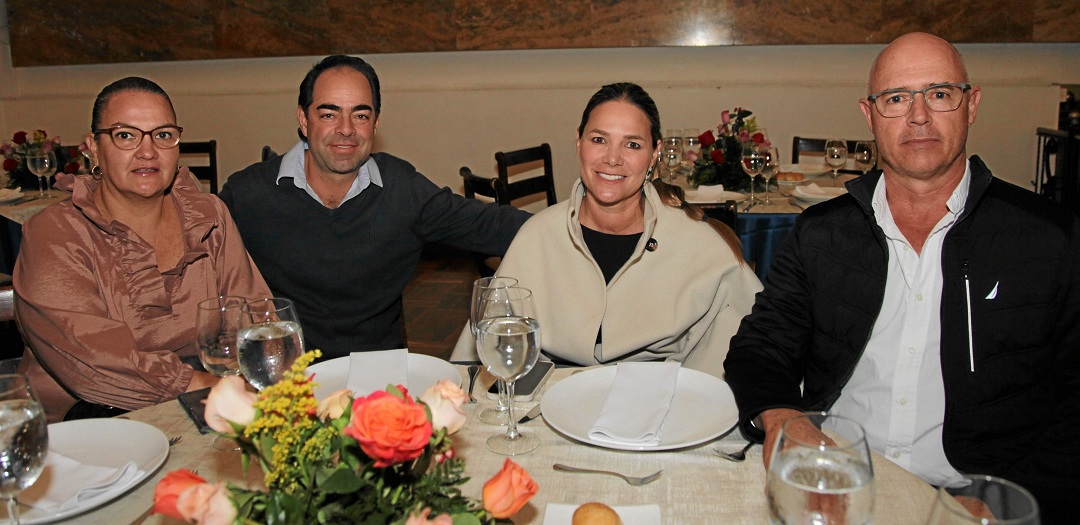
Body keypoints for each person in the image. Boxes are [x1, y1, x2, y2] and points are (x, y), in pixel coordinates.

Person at [724, 32, 1080, 522]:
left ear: (971, 104)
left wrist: (996, 499)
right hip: (840, 477)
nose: (918, 116)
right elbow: (761, 347)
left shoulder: (1049, 239)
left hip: (973, 497)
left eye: (939, 94)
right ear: (869, 116)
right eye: (896, 98)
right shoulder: (822, 234)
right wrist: (784, 417)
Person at [219, 55, 529, 360]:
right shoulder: (248, 195)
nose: (346, 129)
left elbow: (490, 225)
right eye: (329, 114)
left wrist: (573, 220)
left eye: (360, 115)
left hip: (378, 380)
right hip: (286, 383)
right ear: (303, 119)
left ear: (376, 123)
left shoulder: (401, 189)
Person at [451, 83, 761, 378]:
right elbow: (480, 356)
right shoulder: (538, 236)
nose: (612, 159)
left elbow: (750, 352)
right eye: (599, 140)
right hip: (548, 405)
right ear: (579, 143)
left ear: (655, 154)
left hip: (660, 410)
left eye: (632, 144)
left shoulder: (701, 245)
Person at [14, 76, 271, 422]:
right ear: (92, 146)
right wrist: (208, 387)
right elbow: (92, 364)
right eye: (125, 135)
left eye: (163, 135)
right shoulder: (56, 234)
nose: (147, 151)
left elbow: (255, 316)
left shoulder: (209, 217)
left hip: (205, 412)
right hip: (84, 429)